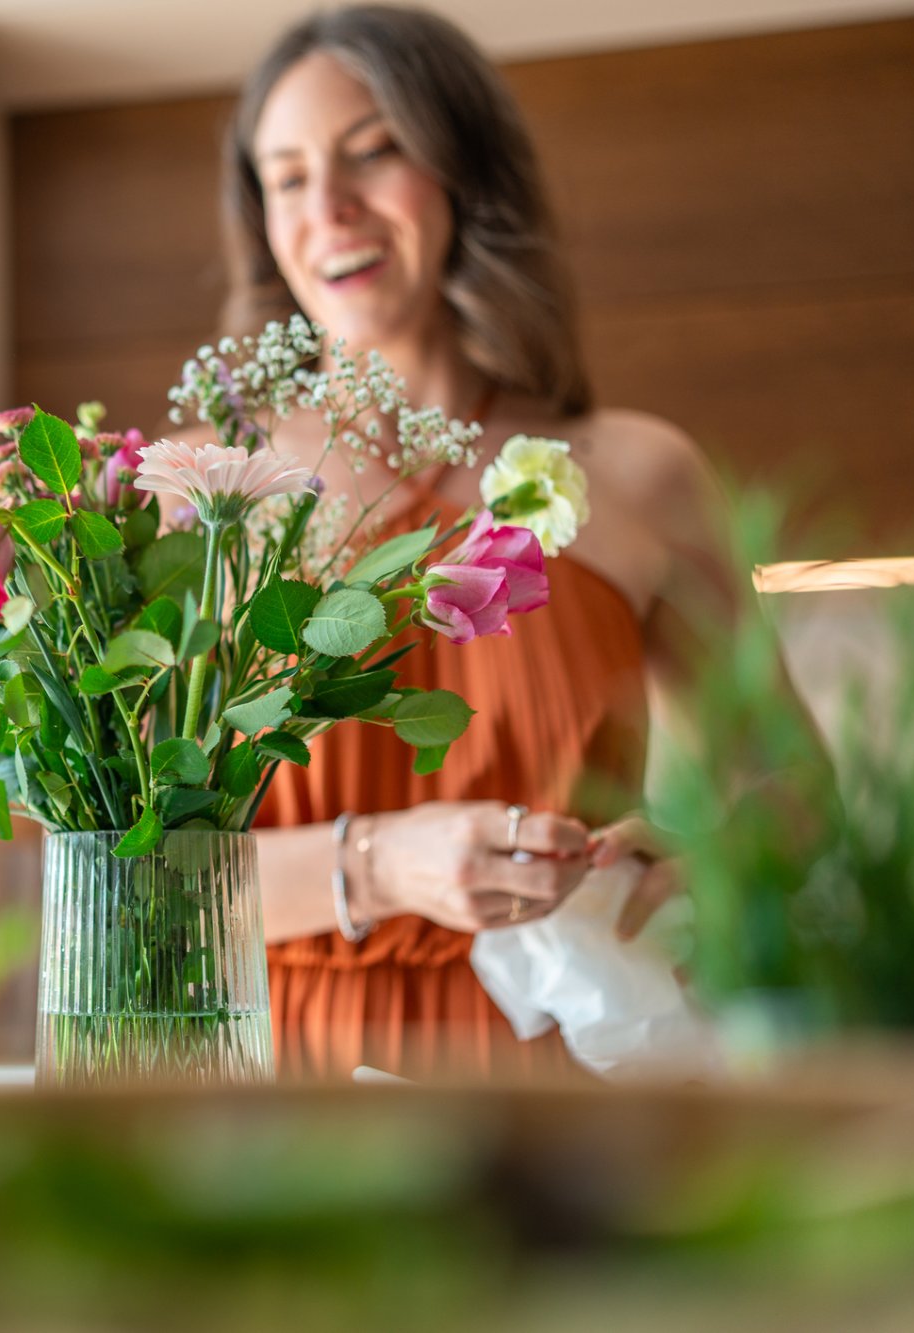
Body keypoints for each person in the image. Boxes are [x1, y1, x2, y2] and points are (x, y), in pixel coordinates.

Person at [207, 5, 738, 1080]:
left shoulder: (639, 476)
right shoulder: (201, 496)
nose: (330, 209)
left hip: (575, 1079)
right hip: (283, 1105)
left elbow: (786, 789)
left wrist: (707, 862)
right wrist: (378, 865)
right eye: (287, 176)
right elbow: (116, 894)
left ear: (463, 171)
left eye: (374, 151)